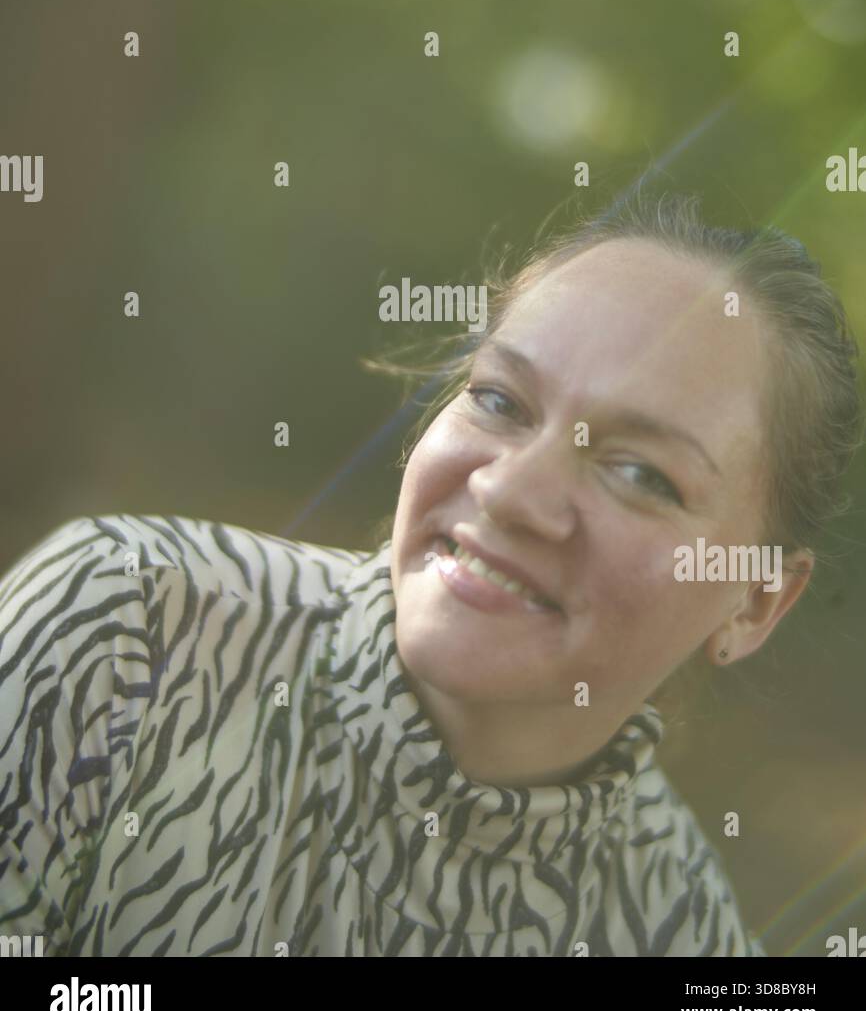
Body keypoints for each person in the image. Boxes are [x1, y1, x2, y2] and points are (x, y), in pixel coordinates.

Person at [0, 192, 860, 957]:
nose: (510, 489)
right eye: (500, 401)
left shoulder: (682, 933)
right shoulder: (127, 628)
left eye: (641, 474)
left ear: (754, 603)